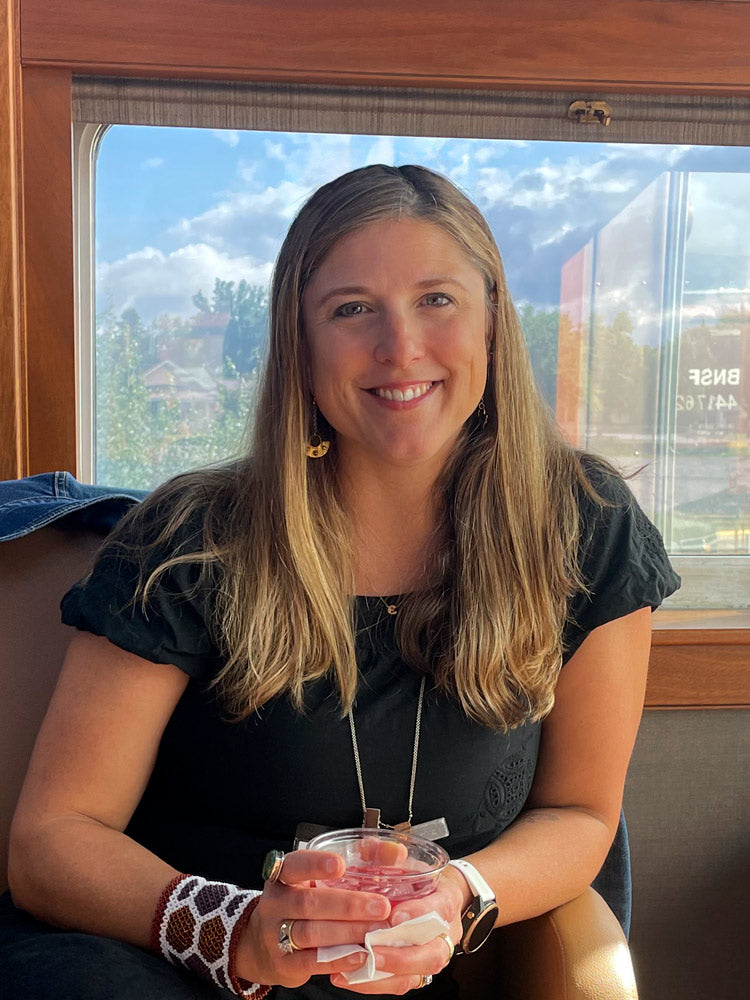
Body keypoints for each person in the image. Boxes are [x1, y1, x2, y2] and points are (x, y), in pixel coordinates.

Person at [1, 163, 679, 999]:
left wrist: (461, 894)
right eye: (352, 309)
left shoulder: (587, 522)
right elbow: (53, 838)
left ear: (494, 325)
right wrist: (239, 931)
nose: (401, 348)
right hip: (163, 964)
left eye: (438, 299)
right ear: (301, 341)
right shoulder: (191, 536)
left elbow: (579, 815)